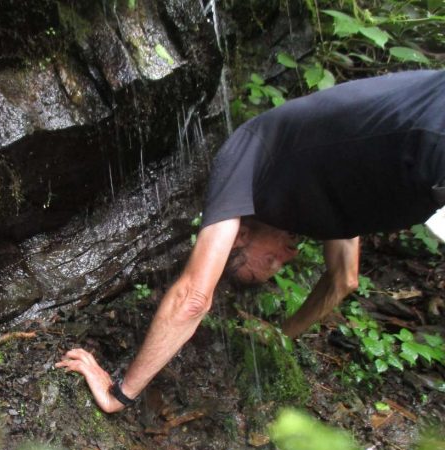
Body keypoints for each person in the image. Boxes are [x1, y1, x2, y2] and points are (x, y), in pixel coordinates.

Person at [56, 69, 445, 413]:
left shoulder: (244, 155)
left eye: (269, 263)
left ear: (238, 235)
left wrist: (118, 394)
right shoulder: (324, 185)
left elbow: (193, 298)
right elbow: (344, 280)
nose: (287, 258)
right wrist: (281, 335)